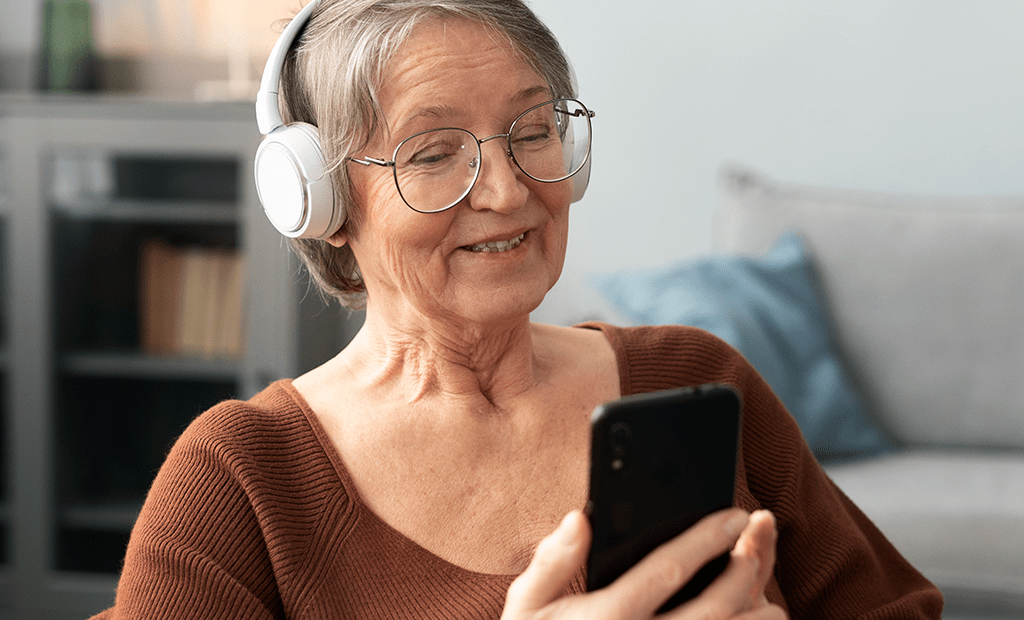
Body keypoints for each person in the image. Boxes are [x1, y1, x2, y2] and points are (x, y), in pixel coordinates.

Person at [92, 0, 944, 618]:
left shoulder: (694, 378)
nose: (508, 191)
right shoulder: (244, 479)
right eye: (434, 153)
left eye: (533, 131)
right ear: (320, 202)